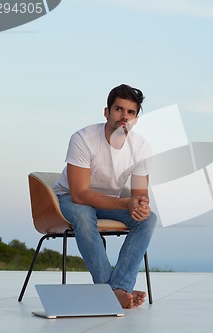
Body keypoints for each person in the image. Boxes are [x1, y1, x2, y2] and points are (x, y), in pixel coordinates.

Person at [54, 84, 156, 309]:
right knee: (83, 214)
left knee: (148, 219)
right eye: (119, 109)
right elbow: (80, 194)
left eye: (131, 113)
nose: (124, 117)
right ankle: (109, 291)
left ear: (136, 118)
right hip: (70, 198)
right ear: (106, 112)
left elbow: (139, 194)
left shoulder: (141, 147)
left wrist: (141, 206)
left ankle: (119, 287)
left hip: (109, 201)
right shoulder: (83, 138)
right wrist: (126, 202)